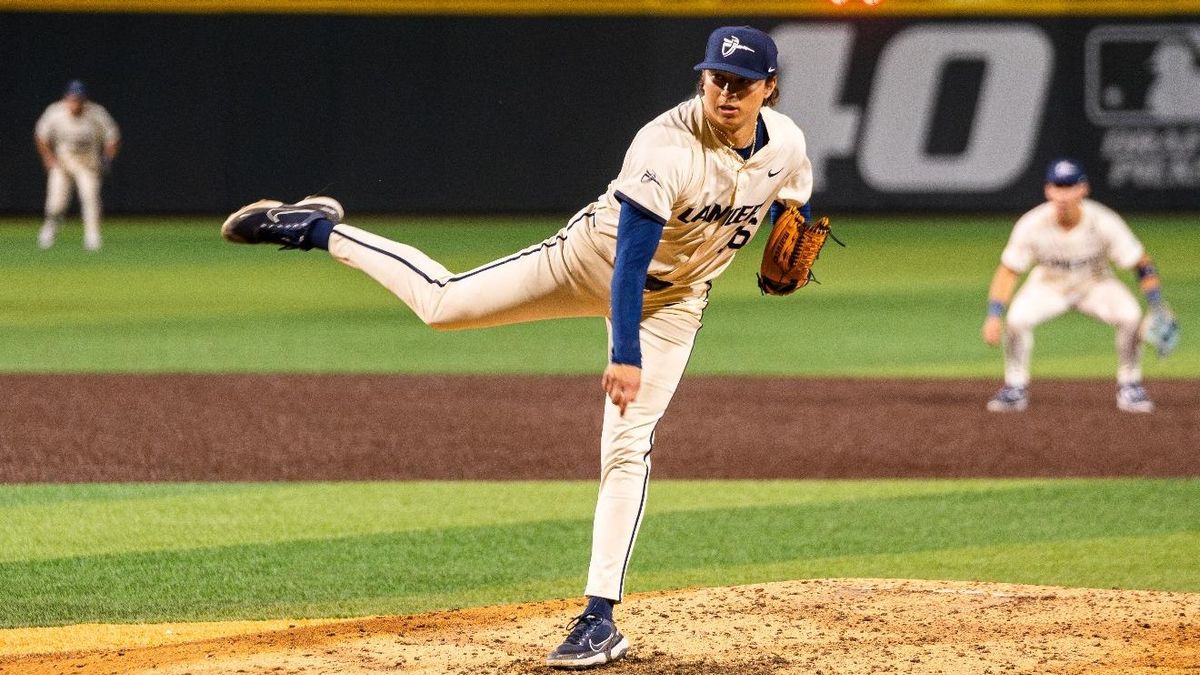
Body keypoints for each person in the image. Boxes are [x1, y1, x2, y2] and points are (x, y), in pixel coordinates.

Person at [221, 25, 815, 669]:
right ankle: (314, 228)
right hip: (590, 260)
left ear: (769, 89)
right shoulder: (663, 145)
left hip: (677, 303)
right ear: (702, 78)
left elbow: (792, 197)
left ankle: (598, 618)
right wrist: (624, 353)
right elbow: (628, 261)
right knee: (443, 306)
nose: (725, 94)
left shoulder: (786, 142)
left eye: (741, 84)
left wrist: (792, 224)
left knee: (626, 444)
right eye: (716, 79)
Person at [981, 158, 1166, 414]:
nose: (1062, 194)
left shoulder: (1104, 221)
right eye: (1057, 186)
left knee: (1130, 315)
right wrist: (993, 315)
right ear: (1048, 190)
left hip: (1095, 284)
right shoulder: (1031, 224)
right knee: (1016, 319)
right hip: (1049, 285)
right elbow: (1008, 270)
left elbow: (1141, 263)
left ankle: (1130, 385)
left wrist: (1157, 305)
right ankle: (1015, 386)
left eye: (1069, 186)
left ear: (1083, 189)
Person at [34, 79, 121, 251]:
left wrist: (107, 158)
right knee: (56, 202)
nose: (75, 103)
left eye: (78, 99)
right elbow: (41, 136)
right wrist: (48, 157)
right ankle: (50, 230)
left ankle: (92, 236)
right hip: (63, 162)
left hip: (88, 163)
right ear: (66, 98)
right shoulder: (55, 112)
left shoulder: (96, 113)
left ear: (84, 100)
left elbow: (113, 138)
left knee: (90, 198)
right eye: (72, 98)